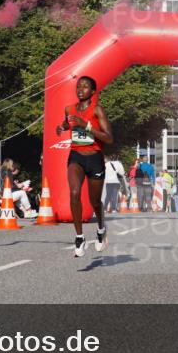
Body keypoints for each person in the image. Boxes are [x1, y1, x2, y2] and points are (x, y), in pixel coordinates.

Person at [55, 76, 113, 257]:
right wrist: (62, 127)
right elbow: (68, 121)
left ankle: (102, 229)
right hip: (76, 156)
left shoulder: (97, 110)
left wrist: (86, 126)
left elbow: (109, 138)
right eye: (78, 86)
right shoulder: (69, 109)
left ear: (93, 92)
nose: (80, 89)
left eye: (85, 87)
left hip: (94, 157)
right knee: (74, 193)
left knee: (95, 201)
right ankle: (79, 237)